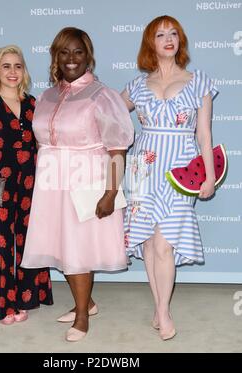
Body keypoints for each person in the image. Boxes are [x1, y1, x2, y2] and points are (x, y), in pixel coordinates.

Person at [21, 27, 134, 341]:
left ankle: (83, 316)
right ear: (55, 57)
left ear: (89, 56)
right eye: (64, 52)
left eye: (78, 52)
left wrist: (111, 192)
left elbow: (117, 148)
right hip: (51, 182)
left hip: (86, 179)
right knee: (63, 246)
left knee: (79, 247)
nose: (71, 59)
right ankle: (88, 303)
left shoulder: (102, 95)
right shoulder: (47, 95)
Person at [122, 15, 218, 340]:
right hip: (143, 168)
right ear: (151, 42)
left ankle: (163, 310)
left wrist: (209, 174)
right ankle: (160, 306)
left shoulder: (199, 81)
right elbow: (110, 114)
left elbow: (204, 135)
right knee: (149, 243)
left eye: (173, 33)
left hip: (180, 169)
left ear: (180, 40)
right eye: (160, 34)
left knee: (165, 243)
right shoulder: (137, 85)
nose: (168, 39)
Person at [0, 45, 53, 325]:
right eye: (6, 66)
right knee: (0, 245)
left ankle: (25, 299)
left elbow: (42, 145)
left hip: (30, 181)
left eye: (17, 66)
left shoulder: (33, 104)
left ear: (24, 71)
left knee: (29, 242)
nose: (12, 72)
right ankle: (2, 304)